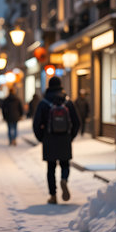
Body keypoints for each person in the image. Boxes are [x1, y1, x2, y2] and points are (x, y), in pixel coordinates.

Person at [33, 76, 80, 204]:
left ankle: (53, 196)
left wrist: (42, 138)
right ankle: (64, 179)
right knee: (65, 163)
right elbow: (77, 122)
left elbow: (36, 123)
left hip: (49, 139)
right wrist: (71, 137)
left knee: (51, 168)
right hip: (65, 139)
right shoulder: (68, 102)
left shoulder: (44, 103)